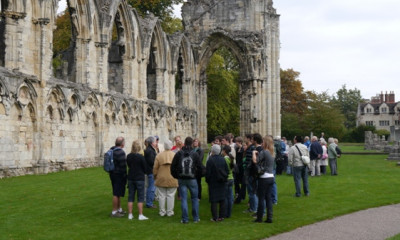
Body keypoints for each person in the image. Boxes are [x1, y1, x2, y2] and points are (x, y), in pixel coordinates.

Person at [171, 137, 203, 223]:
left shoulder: (179, 153)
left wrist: (176, 176)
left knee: (184, 199)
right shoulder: (195, 154)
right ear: (192, 143)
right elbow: (200, 167)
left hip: (182, 178)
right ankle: (196, 218)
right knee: (194, 199)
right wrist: (197, 176)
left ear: (184, 143)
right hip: (192, 178)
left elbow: (173, 167)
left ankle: (185, 219)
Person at [253, 135, 275, 223]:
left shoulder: (264, 152)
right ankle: (269, 217)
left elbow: (255, 161)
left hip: (264, 177)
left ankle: (259, 218)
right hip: (271, 176)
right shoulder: (272, 152)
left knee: (261, 198)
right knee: (268, 198)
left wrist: (253, 153)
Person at [153, 139, 178, 217]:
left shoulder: (159, 155)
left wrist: (155, 176)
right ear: (171, 146)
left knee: (161, 195)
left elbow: (155, 168)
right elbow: (178, 167)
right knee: (171, 195)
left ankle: (162, 211)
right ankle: (170, 212)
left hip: (161, 177)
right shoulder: (175, 155)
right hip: (172, 177)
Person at [206, 145, 229, 222]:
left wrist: (208, 181)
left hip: (213, 182)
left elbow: (207, 173)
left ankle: (215, 217)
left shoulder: (210, 160)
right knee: (222, 199)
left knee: (214, 200)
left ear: (212, 151)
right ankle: (221, 216)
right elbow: (227, 171)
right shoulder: (223, 159)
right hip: (222, 181)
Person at [127, 140, 149, 220]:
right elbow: (145, 168)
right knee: (140, 197)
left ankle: (130, 214)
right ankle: (140, 215)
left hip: (131, 177)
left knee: (131, 196)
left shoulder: (128, 156)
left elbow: (129, 165)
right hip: (139, 178)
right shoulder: (141, 157)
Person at [108, 137, 127, 217]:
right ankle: (114, 211)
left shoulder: (111, 150)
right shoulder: (120, 152)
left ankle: (119, 209)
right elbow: (123, 165)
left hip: (112, 173)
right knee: (116, 193)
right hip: (119, 174)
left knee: (118, 192)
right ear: (122, 144)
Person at [144, 136, 157, 208]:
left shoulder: (150, 150)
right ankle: (149, 203)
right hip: (151, 171)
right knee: (151, 188)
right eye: (155, 142)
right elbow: (151, 162)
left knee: (152, 187)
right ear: (152, 143)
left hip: (150, 171)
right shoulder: (150, 151)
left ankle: (150, 202)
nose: (156, 143)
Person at [222, 145, 234, 218]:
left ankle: (225, 213)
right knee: (230, 197)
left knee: (225, 197)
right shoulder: (231, 158)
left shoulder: (224, 159)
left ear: (224, 151)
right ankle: (229, 213)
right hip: (231, 178)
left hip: (226, 179)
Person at [234, 136, 246, 204]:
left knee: (243, 183)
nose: (236, 143)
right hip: (237, 167)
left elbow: (242, 159)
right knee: (236, 181)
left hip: (241, 167)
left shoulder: (243, 150)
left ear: (240, 142)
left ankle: (242, 196)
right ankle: (238, 193)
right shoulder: (237, 148)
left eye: (237, 142)